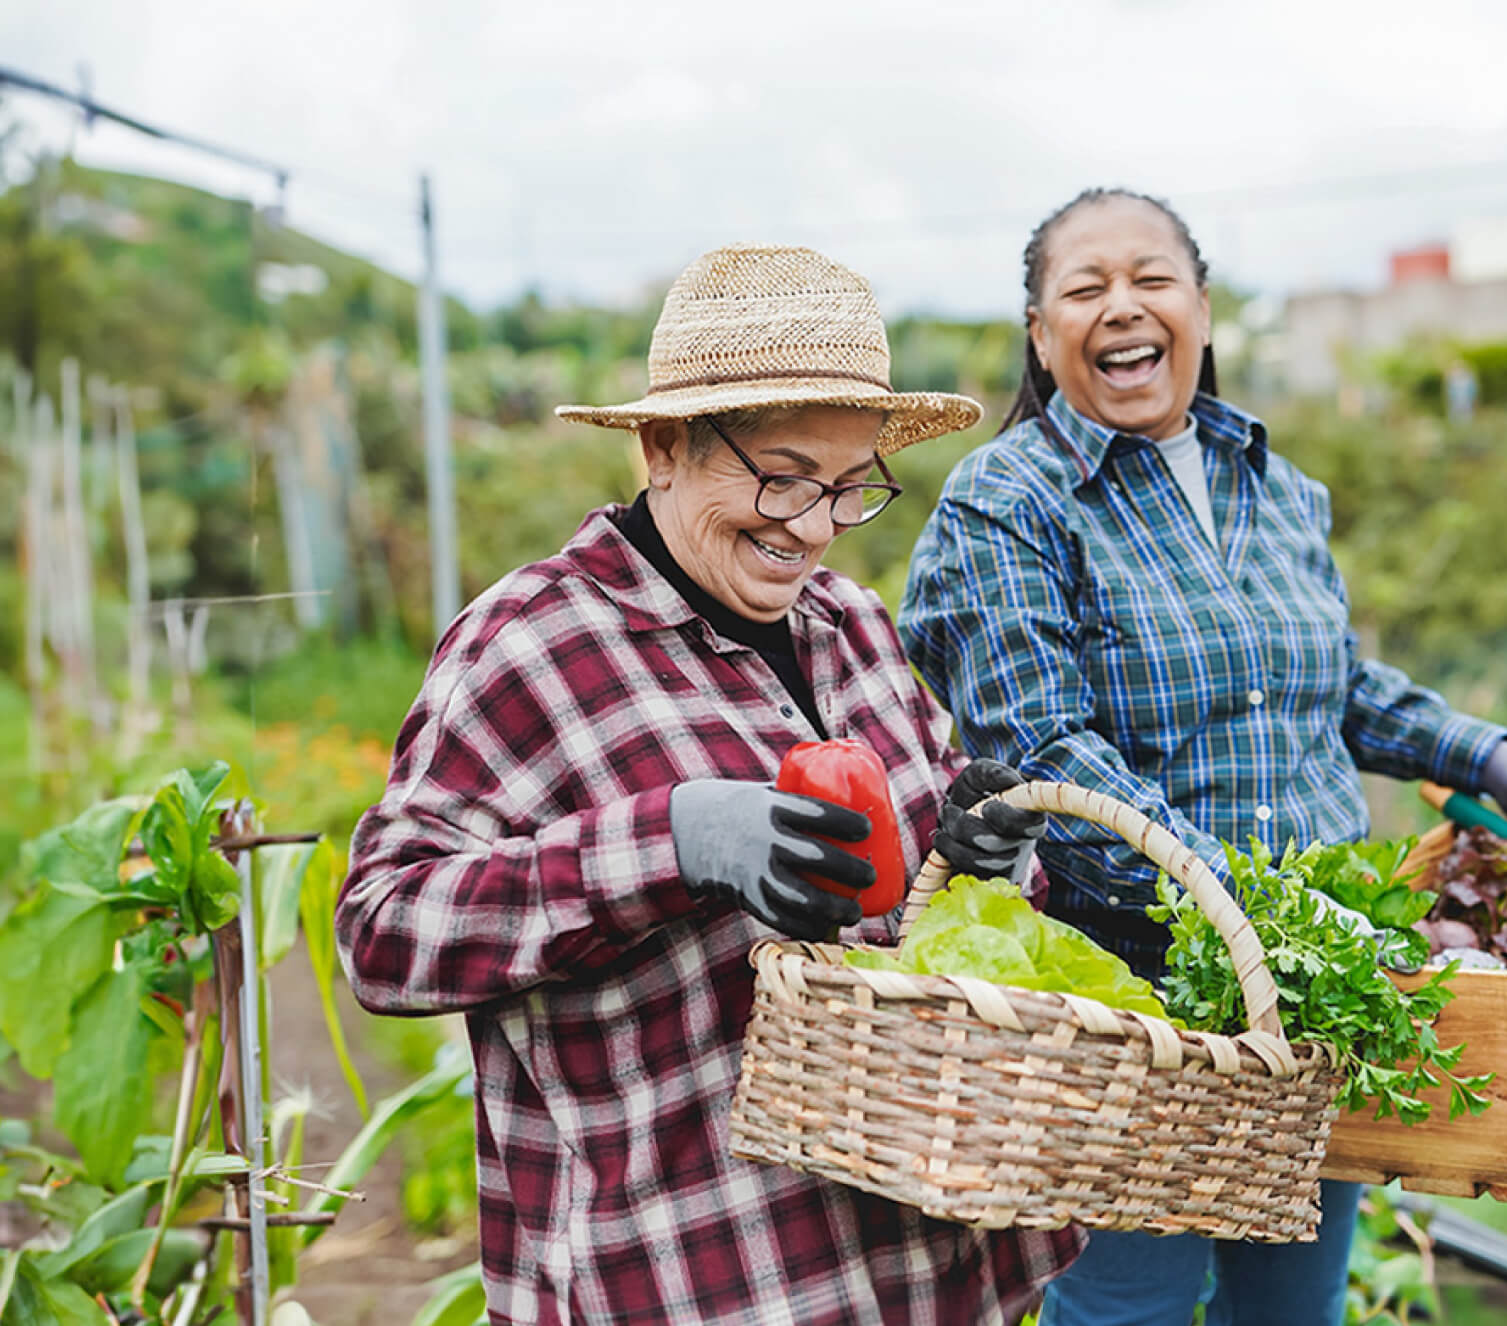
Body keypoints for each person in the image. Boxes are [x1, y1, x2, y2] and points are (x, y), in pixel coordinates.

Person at [898, 189, 1507, 1326]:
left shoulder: (1275, 488)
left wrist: (1486, 758)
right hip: (1138, 990)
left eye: (1151, 278)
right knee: (1127, 1304)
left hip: (1315, 988)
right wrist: (1246, 915)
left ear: (1200, 304)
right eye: (1082, 290)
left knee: (1292, 1301)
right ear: (1040, 335)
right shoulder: (1007, 500)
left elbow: (1326, 684)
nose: (1121, 308)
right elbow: (1041, 744)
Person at [337, 245, 1073, 1325]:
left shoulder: (852, 628)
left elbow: (922, 908)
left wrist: (985, 867)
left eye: (847, 484)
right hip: (706, 1274)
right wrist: (671, 842)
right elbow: (384, 930)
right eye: (779, 475)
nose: (814, 525)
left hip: (926, 1273)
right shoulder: (533, 645)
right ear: (663, 446)